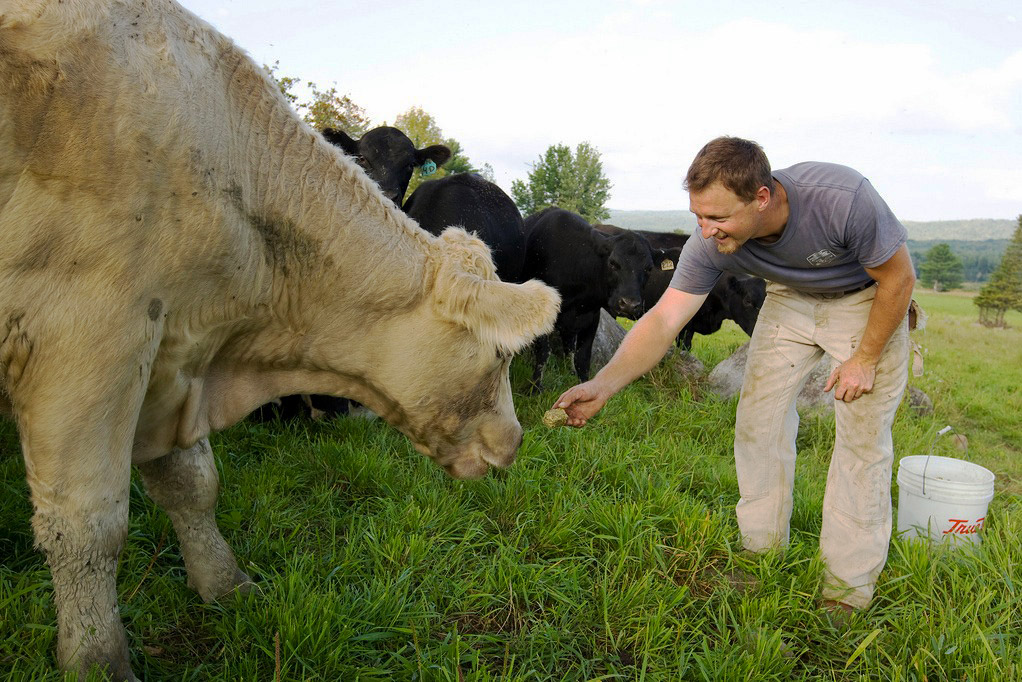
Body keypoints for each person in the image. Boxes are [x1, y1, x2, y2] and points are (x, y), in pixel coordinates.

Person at [554, 136, 914, 613]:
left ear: (761, 198)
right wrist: (603, 385)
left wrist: (864, 359)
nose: (705, 231)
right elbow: (663, 320)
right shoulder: (710, 243)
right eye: (698, 217)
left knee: (861, 445)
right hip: (788, 298)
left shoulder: (840, 199)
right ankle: (760, 550)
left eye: (718, 219)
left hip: (867, 299)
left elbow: (899, 279)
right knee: (757, 422)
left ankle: (847, 590)